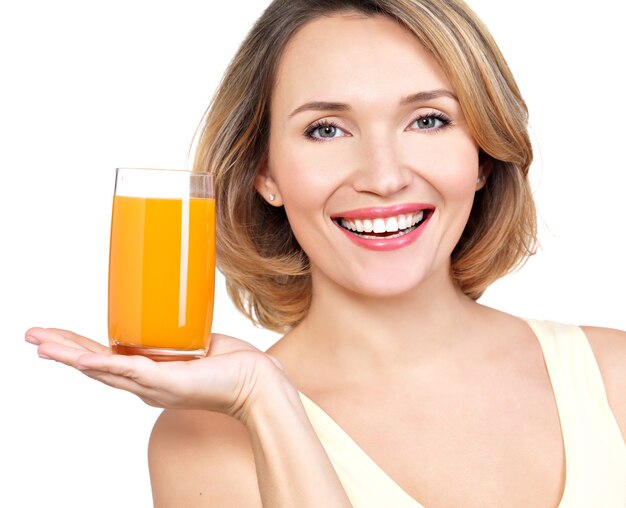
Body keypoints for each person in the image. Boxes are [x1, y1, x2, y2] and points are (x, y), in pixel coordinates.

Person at [26, 0, 626, 506]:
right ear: (265, 173)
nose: (384, 177)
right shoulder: (203, 439)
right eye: (326, 130)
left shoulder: (614, 377)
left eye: (428, 120)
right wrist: (263, 400)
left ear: (483, 157)